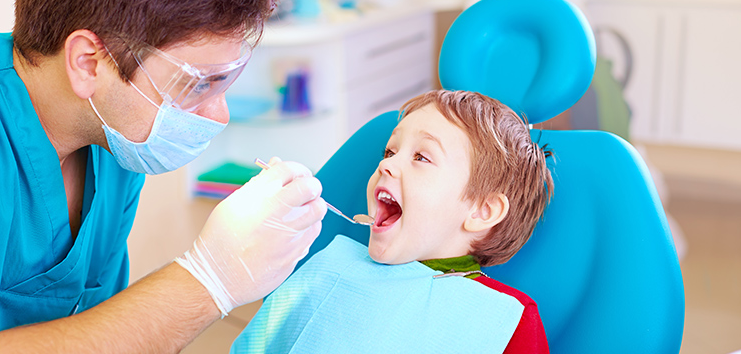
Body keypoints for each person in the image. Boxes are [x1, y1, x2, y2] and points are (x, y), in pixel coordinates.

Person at [0, 0, 326, 352]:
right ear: (88, 63)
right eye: (198, 84)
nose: (219, 115)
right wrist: (209, 279)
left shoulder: (114, 140)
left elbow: (105, 333)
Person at [232, 89, 553, 353]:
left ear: (483, 211)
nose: (386, 165)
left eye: (421, 157)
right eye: (389, 152)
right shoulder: (329, 265)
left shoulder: (506, 319)